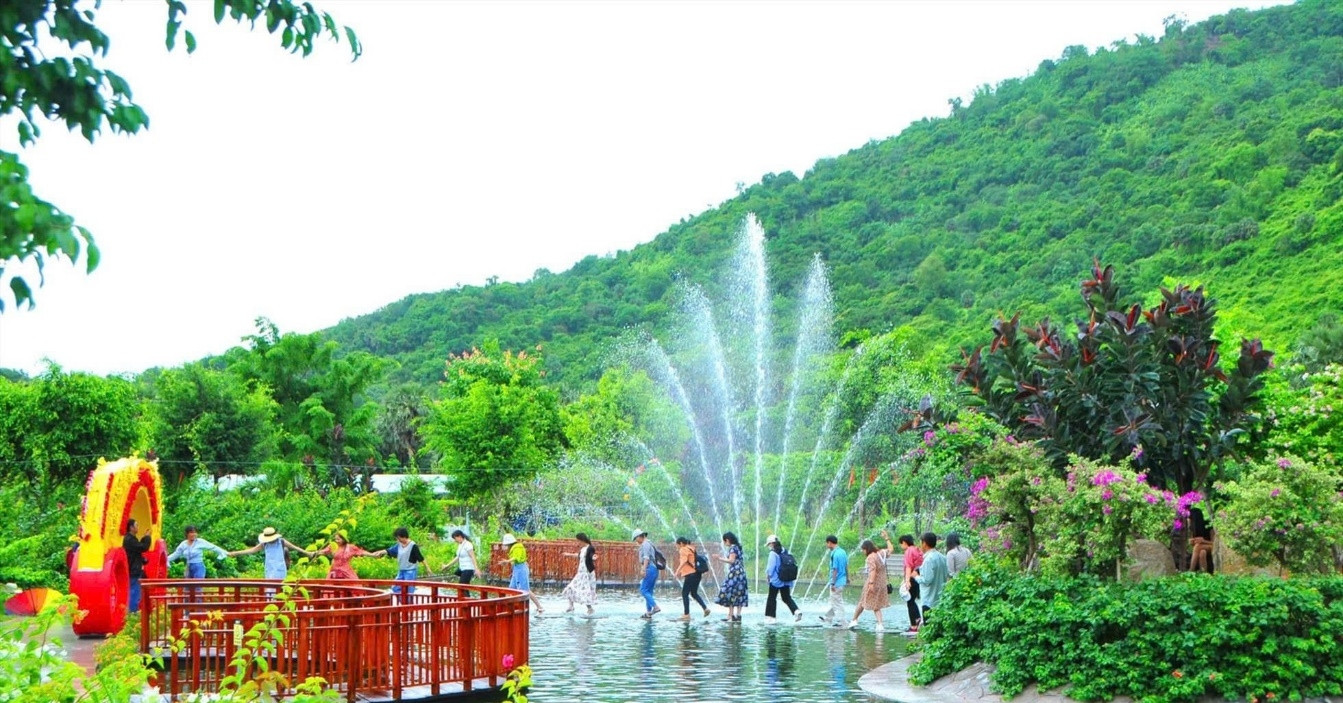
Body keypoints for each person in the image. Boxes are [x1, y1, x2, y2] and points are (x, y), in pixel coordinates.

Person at [167, 525, 229, 602]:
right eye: (191, 532)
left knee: (197, 588)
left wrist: (223, 552)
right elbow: (176, 554)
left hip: (198, 566)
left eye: (195, 532)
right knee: (186, 588)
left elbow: (213, 547)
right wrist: (167, 559)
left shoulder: (200, 542)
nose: (193, 534)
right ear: (187, 534)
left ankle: (198, 608)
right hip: (189, 566)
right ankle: (186, 608)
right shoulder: (183, 544)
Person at [847, 530, 894, 632]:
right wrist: (886, 538)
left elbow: (873, 570)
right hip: (882, 583)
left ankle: (855, 620)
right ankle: (879, 624)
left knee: (863, 602)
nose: (862, 552)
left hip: (872, 582)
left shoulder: (870, 557)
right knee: (874, 604)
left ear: (866, 549)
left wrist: (871, 583)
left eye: (863, 549)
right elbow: (891, 549)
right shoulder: (881, 553)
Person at [227, 527, 311, 580]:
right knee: (270, 590)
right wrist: (235, 553)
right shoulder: (265, 544)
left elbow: (295, 547)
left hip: (280, 570)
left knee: (280, 589)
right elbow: (251, 550)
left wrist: (308, 553)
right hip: (270, 569)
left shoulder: (281, 542)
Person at [373, 527, 432, 602]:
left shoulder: (413, 546)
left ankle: (408, 606)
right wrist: (380, 552)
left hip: (410, 571)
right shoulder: (399, 545)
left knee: (409, 591)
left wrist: (427, 568)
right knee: (395, 587)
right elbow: (389, 550)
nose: (398, 540)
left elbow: (421, 558)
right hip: (401, 571)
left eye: (399, 538)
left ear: (403, 536)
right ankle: (404, 603)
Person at [499, 534, 545, 614]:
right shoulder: (515, 547)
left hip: (521, 570)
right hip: (517, 569)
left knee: (525, 590)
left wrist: (507, 561)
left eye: (505, 545)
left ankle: (539, 607)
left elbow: (516, 557)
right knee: (512, 589)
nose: (505, 547)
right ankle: (507, 606)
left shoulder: (517, 547)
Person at [763, 534, 801, 624]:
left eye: (769, 544)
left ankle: (771, 618)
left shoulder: (773, 553)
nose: (769, 546)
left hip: (776, 580)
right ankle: (796, 611)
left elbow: (770, 568)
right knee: (786, 597)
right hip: (786, 580)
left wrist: (768, 576)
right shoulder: (785, 551)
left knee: (771, 597)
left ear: (772, 543)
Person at [914, 532, 949, 623]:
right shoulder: (942, 557)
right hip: (940, 599)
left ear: (924, 543)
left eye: (921, 542)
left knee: (928, 625)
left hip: (929, 600)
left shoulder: (928, 560)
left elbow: (927, 580)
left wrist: (916, 576)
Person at [714, 531, 748, 623]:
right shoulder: (738, 547)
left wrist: (719, 558)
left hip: (734, 573)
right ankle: (738, 615)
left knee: (729, 592)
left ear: (728, 540)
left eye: (724, 541)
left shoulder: (733, 548)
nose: (724, 543)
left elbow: (731, 561)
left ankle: (731, 615)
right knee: (739, 593)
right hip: (741, 573)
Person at [674, 536, 709, 621]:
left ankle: (686, 614)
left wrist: (677, 571)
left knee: (684, 593)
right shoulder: (691, 548)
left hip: (690, 574)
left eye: (677, 545)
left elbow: (684, 561)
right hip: (697, 573)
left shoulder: (683, 549)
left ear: (681, 543)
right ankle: (705, 608)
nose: (677, 547)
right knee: (694, 593)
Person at [561, 532, 597, 614]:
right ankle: (571, 606)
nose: (577, 543)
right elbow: (578, 556)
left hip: (587, 573)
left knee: (586, 590)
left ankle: (590, 608)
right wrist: (568, 554)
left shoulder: (590, 548)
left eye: (578, 541)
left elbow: (591, 555)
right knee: (570, 587)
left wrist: (593, 557)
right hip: (580, 573)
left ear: (582, 540)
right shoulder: (582, 549)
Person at [818, 535, 849, 625]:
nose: (827, 545)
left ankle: (843, 621)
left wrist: (833, 583)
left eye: (827, 543)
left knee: (838, 602)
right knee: (833, 600)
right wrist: (848, 578)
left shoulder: (835, 554)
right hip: (842, 580)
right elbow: (846, 566)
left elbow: (835, 569)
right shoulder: (843, 552)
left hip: (837, 581)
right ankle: (828, 618)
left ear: (830, 543)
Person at [122, 519, 151, 613]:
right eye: (136, 525)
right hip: (133, 570)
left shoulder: (131, 539)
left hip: (134, 568)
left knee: (136, 590)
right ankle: (133, 612)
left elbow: (137, 550)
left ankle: (134, 610)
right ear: (131, 527)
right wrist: (147, 537)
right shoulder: (129, 539)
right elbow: (143, 547)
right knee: (134, 591)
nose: (138, 527)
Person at [632, 529, 660, 618]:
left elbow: (646, 558)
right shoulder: (649, 543)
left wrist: (643, 570)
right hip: (653, 569)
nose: (636, 541)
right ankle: (648, 612)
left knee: (643, 590)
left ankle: (655, 607)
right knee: (649, 591)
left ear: (639, 536)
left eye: (635, 538)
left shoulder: (645, 544)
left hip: (650, 569)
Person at [899, 533, 924, 632]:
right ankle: (918, 619)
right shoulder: (918, 550)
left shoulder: (909, 551)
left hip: (912, 578)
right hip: (918, 576)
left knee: (910, 601)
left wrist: (907, 580)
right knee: (912, 600)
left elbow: (908, 566)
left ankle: (914, 625)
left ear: (904, 543)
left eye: (901, 544)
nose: (901, 546)